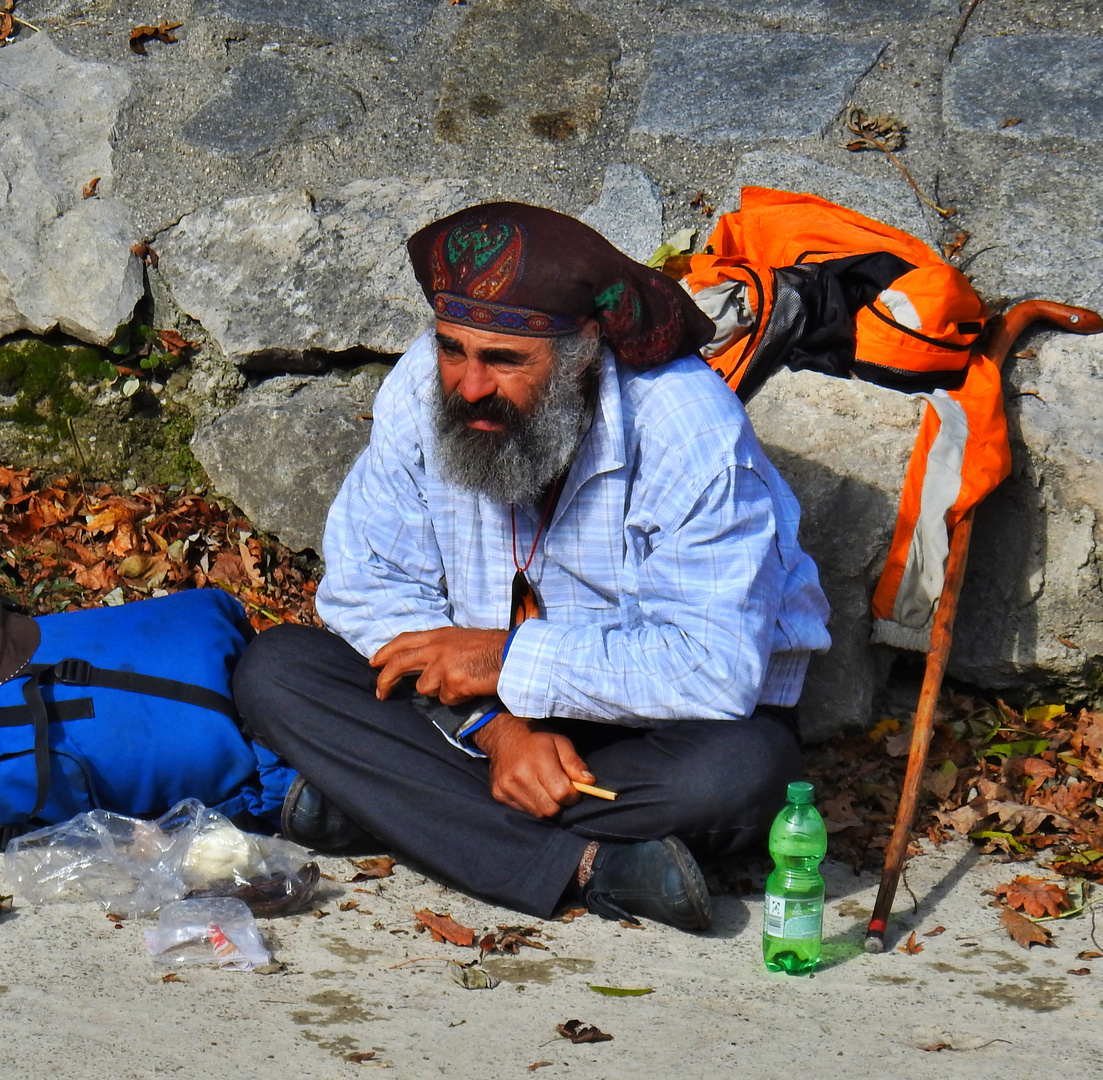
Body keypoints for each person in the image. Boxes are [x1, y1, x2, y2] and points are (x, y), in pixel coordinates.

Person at [233, 202, 831, 931]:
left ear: (583, 354)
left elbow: (710, 667)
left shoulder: (687, 429)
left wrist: (507, 659)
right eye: (454, 349)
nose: (470, 385)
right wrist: (497, 728)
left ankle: (389, 803)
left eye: (505, 361)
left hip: (655, 726)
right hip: (471, 715)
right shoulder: (429, 387)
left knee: (741, 775)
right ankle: (593, 867)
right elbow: (368, 588)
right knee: (280, 670)